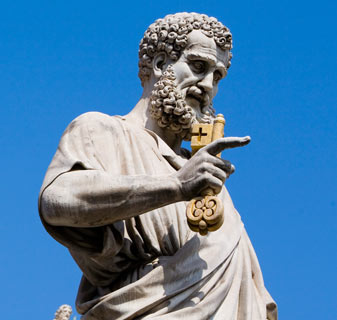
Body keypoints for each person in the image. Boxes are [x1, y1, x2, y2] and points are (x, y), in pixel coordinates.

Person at [38, 12, 277, 319]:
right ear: (161, 64)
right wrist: (176, 186)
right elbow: (57, 200)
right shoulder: (102, 131)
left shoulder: (206, 179)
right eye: (198, 67)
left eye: (217, 77)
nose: (207, 86)